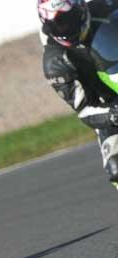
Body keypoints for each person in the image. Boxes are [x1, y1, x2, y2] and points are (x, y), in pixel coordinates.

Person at [39, 0, 118, 187]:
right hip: (108, 109)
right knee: (116, 165)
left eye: (70, 18)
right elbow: (85, 111)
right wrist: (113, 113)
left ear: (81, 10)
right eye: (58, 24)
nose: (67, 27)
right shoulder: (55, 64)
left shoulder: (107, 7)